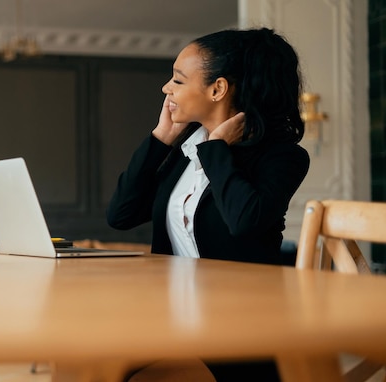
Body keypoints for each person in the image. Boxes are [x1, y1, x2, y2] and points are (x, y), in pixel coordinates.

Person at [107, 28, 310, 381]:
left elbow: (244, 221)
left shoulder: (282, 158)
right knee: (94, 358)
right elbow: (121, 215)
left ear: (217, 89)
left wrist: (217, 149)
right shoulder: (186, 150)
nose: (166, 88)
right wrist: (161, 139)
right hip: (173, 320)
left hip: (237, 331)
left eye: (178, 80)